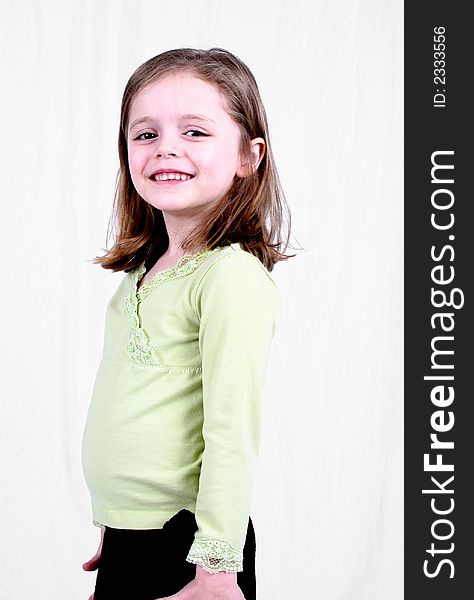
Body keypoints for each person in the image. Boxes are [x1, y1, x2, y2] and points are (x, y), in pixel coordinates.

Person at [80, 46, 294, 600]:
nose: (165, 147)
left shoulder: (230, 278)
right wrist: (119, 518)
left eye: (195, 132)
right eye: (145, 134)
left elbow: (231, 430)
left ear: (249, 156)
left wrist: (218, 566)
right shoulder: (144, 272)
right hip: (134, 537)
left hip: (191, 548)